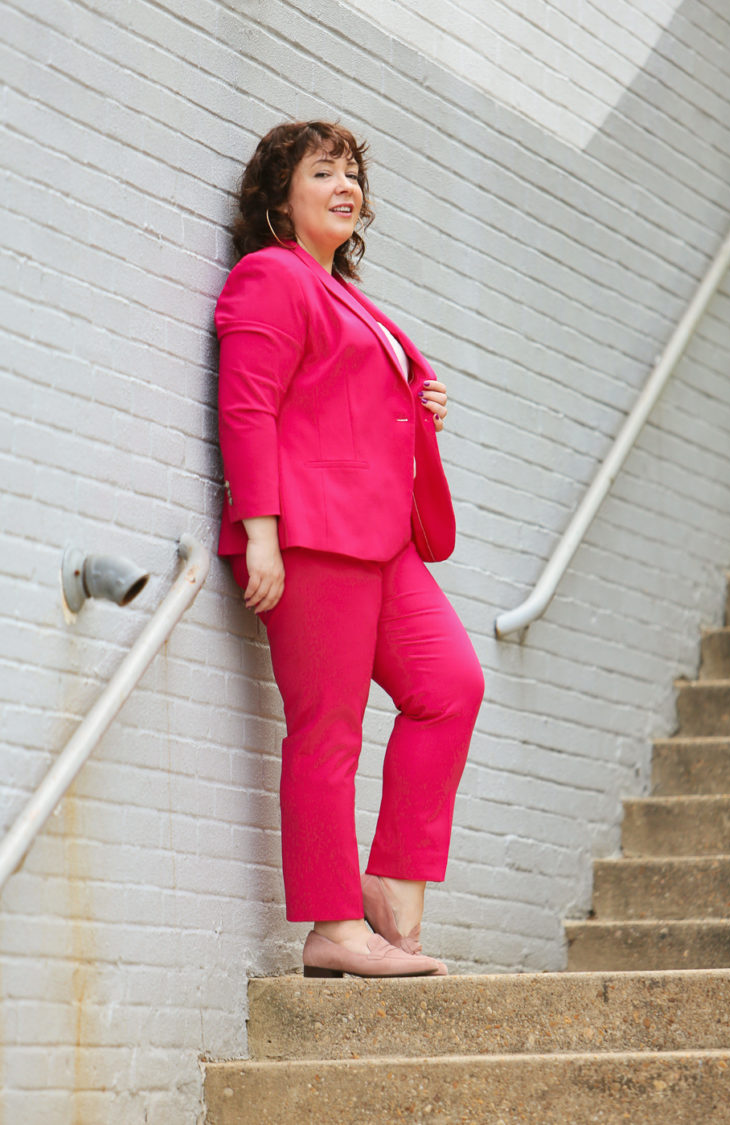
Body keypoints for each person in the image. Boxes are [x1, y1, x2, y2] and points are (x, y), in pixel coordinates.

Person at [216, 120, 484, 978]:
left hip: (382, 538)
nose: (344, 185)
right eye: (322, 171)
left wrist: (417, 400)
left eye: (352, 174)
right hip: (313, 537)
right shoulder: (271, 276)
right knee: (327, 732)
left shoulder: (349, 294)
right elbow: (248, 405)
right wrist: (262, 533)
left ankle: (394, 883)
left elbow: (342, 399)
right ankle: (334, 928)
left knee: (449, 685)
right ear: (278, 196)